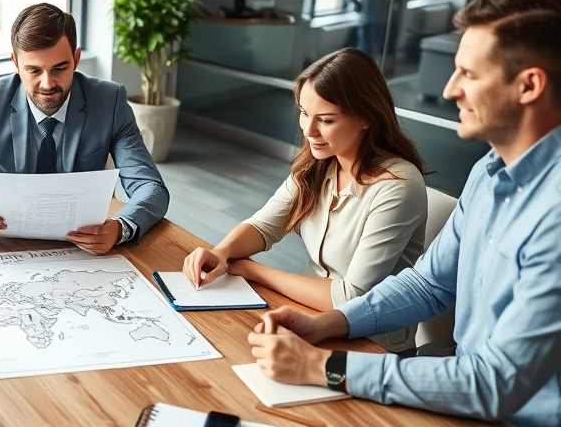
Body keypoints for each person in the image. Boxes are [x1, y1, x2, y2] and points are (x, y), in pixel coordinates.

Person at [248, 0, 561, 427]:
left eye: (468, 74)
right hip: (469, 409)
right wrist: (328, 324)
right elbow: (429, 284)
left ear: (529, 85)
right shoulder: (488, 172)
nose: (449, 88)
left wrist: (324, 367)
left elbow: (495, 383)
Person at [183, 48, 427, 351]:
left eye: (325, 120)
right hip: (306, 313)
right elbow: (264, 226)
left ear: (366, 117)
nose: (309, 130)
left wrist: (251, 269)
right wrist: (221, 252)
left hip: (371, 340)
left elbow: (352, 296)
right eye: (304, 112)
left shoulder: (397, 187)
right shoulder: (317, 165)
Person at [0, 3, 169, 254]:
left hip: (84, 249)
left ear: (76, 58)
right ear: (16, 62)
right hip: (7, 246)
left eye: (59, 68)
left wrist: (121, 228)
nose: (47, 83)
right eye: (34, 70)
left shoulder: (110, 101)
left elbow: (151, 187)